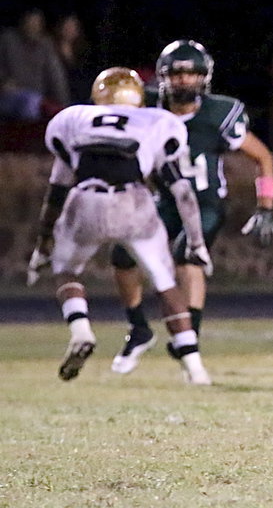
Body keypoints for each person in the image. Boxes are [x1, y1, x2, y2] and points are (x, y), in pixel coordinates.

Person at [26, 67, 213, 384]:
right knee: (165, 281)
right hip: (133, 202)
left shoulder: (75, 121)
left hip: (85, 198)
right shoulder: (154, 121)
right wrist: (197, 243)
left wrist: (43, 244)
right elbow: (182, 192)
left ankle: (81, 328)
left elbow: (55, 192)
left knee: (67, 270)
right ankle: (195, 369)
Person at [109, 40, 273, 374]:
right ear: (163, 77)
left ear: (204, 77)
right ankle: (139, 329)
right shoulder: (148, 107)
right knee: (122, 254)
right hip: (164, 202)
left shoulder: (218, 113)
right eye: (177, 73)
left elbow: (263, 157)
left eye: (191, 73)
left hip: (205, 204)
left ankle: (190, 338)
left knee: (187, 255)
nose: (184, 80)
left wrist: (266, 207)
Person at [0, 8, 70, 120]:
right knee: (29, 101)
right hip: (8, 97)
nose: (33, 27)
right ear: (23, 23)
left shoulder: (45, 45)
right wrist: (3, 82)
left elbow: (56, 76)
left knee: (35, 103)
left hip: (38, 99)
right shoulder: (7, 40)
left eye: (37, 24)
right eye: (30, 23)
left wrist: (64, 105)